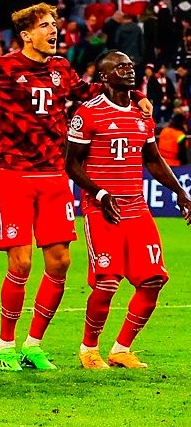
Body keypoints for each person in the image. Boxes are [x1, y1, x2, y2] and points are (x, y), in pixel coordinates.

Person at [0, 3, 149, 371]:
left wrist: (135, 97)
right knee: (21, 263)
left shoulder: (61, 68)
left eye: (54, 24)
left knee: (60, 262)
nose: (53, 30)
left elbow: (95, 91)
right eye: (44, 25)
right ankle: (5, 347)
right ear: (26, 35)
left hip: (54, 175)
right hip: (13, 174)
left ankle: (32, 345)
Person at [66, 51, 191, 369]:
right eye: (120, 67)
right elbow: (72, 163)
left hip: (136, 207)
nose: (129, 70)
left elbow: (153, 159)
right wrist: (100, 193)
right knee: (107, 282)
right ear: (104, 76)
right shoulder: (88, 113)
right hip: (101, 208)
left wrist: (180, 192)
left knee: (152, 280)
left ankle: (121, 349)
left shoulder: (141, 114)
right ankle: (89, 349)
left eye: (130, 66)